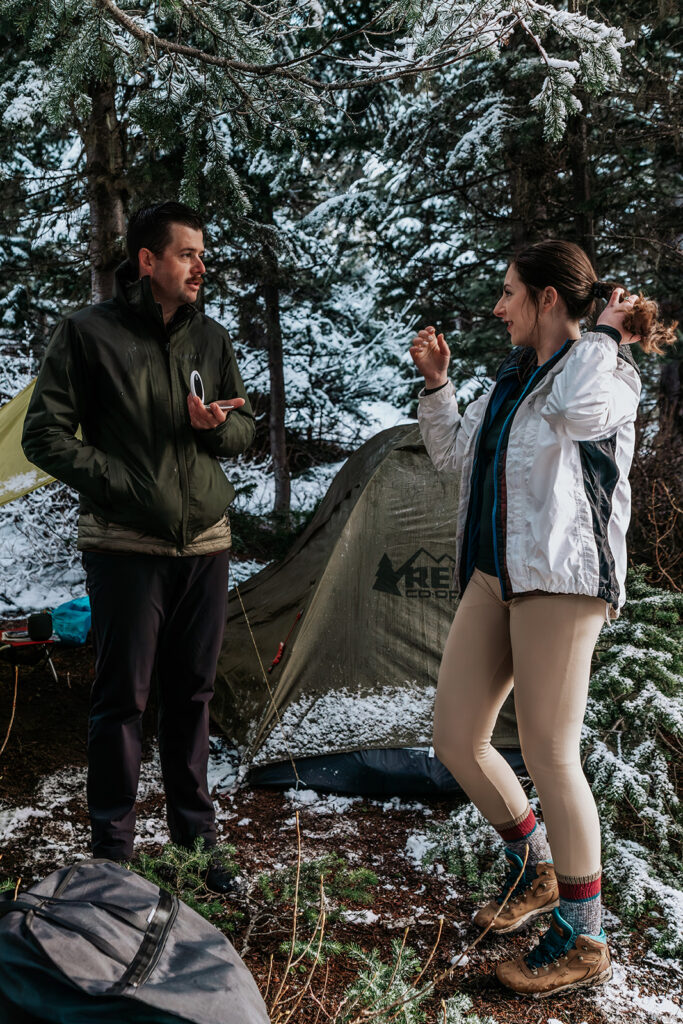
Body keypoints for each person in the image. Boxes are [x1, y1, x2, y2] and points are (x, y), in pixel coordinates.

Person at [410, 239, 646, 997]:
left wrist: (603, 332)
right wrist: (439, 386)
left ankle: (584, 935)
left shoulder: (606, 373)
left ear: (548, 297)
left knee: (548, 750)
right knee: (456, 736)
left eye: (509, 292)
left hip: (562, 580)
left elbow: (579, 412)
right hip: (492, 575)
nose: (496, 306)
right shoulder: (510, 377)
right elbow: (455, 459)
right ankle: (535, 867)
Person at [22, 201, 255, 891]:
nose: (200, 267)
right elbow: (44, 435)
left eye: (202, 255)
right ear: (147, 261)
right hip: (124, 545)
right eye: (187, 254)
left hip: (204, 545)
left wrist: (214, 428)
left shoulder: (210, 338)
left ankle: (197, 847)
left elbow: (242, 430)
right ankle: (113, 857)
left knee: (192, 697)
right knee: (122, 700)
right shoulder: (87, 334)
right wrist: (121, 483)